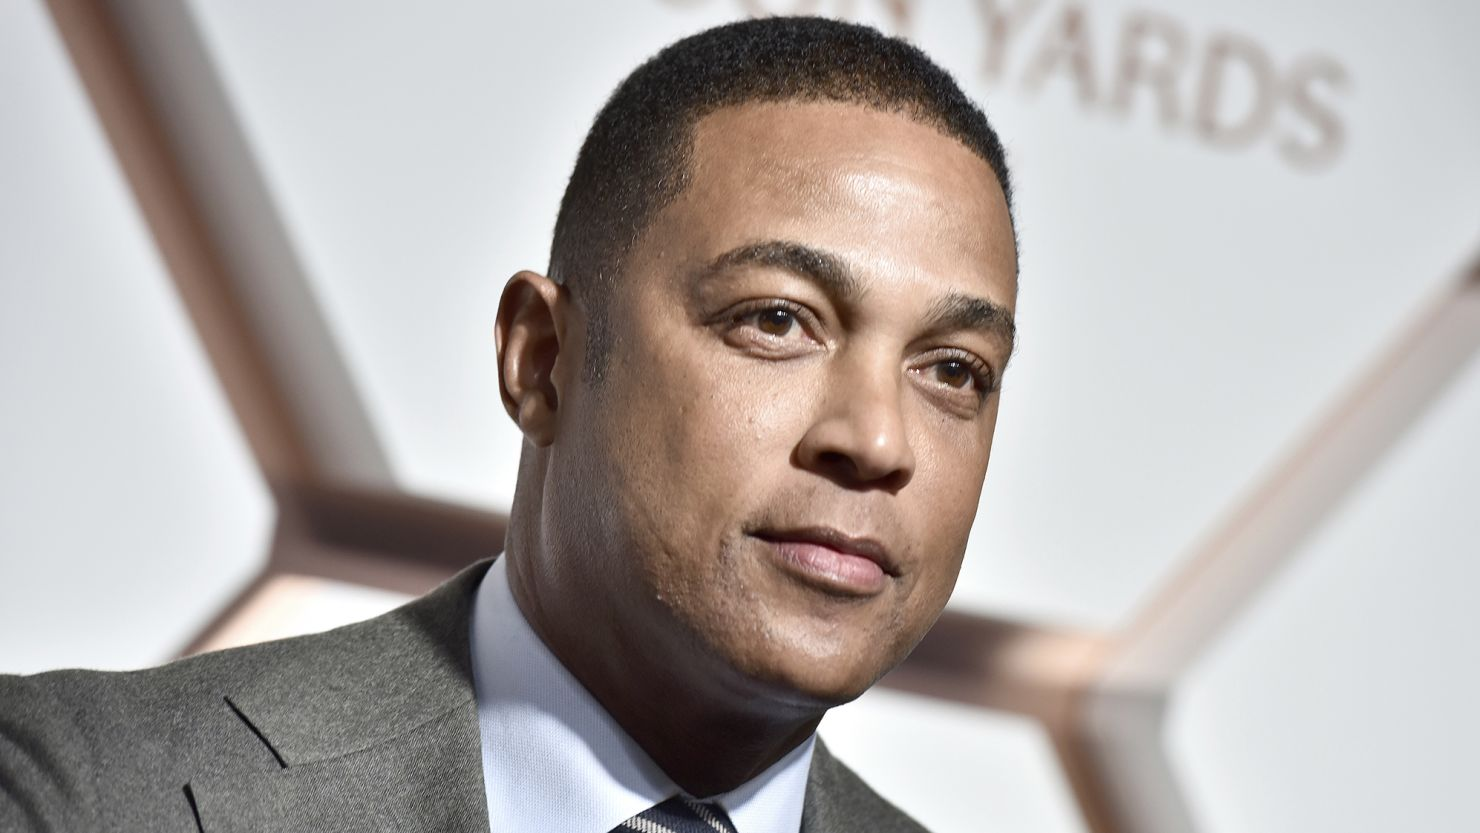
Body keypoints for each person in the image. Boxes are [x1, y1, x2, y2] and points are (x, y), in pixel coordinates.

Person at [0, 15, 1017, 833]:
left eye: (952, 369)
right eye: (777, 320)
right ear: (541, 358)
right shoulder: (84, 794)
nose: (877, 441)